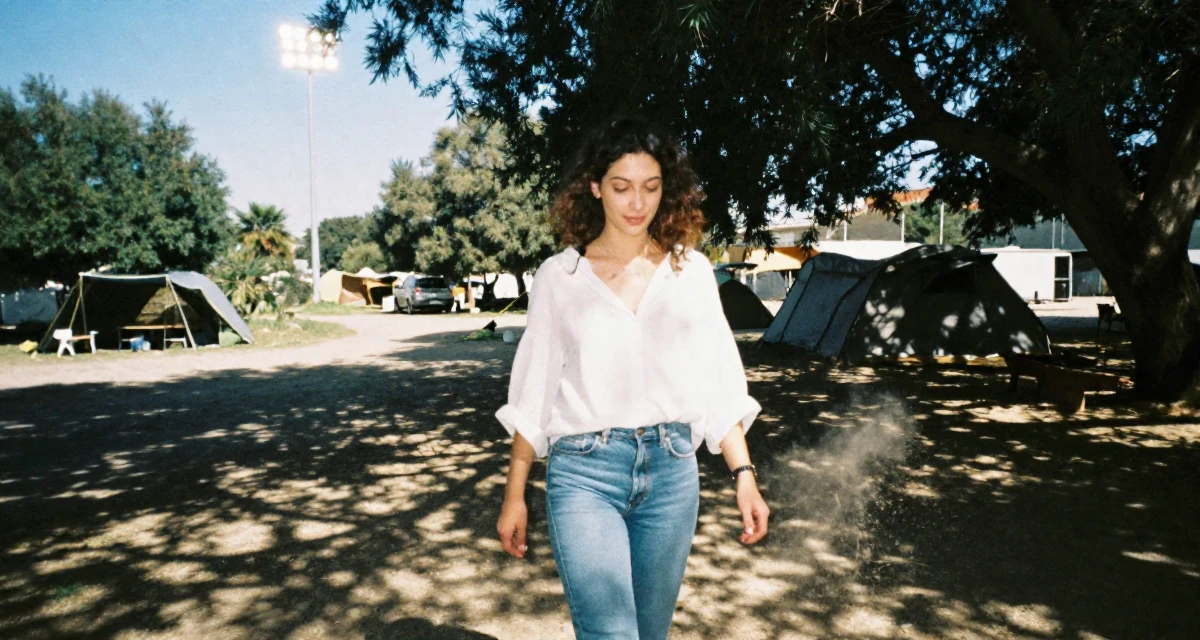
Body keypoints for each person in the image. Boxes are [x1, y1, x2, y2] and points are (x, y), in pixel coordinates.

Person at [495, 117, 769, 640]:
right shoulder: (561, 277)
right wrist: (515, 494)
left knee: (649, 633)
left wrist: (744, 475)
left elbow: (717, 383)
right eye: (621, 187)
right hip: (585, 475)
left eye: (651, 187)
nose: (636, 203)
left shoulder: (691, 274)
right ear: (595, 187)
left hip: (672, 476)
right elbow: (534, 390)